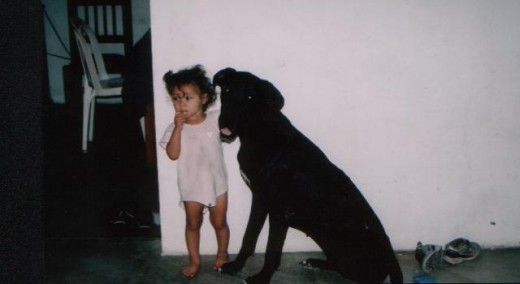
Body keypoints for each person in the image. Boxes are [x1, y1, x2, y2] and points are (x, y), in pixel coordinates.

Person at [160, 65, 229, 278]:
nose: (180, 103)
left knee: (219, 222)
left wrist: (230, 128)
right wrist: (178, 128)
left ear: (204, 98)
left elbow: (231, 128)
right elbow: (172, 154)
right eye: (175, 98)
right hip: (191, 186)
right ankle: (194, 259)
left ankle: (222, 254)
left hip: (217, 184)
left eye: (187, 98)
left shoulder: (215, 119)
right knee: (192, 223)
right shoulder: (174, 127)